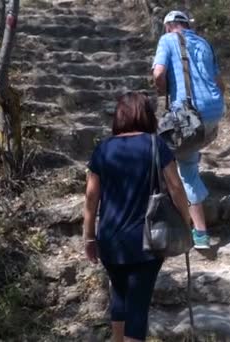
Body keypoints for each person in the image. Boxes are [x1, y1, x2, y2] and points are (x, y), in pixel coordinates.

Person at [83, 92, 191, 342]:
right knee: (138, 306)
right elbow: (175, 187)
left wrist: (89, 237)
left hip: (110, 240)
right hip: (146, 242)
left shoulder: (103, 149)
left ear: (119, 117)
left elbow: (91, 197)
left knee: (119, 295)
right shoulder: (156, 145)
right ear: (147, 116)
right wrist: (185, 222)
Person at [152, 10, 226, 249]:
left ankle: (200, 234)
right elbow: (219, 82)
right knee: (187, 150)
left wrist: (161, 90)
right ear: (186, 25)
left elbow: (159, 73)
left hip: (189, 115)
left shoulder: (167, 40)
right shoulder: (204, 42)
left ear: (169, 26)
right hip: (214, 112)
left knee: (185, 169)